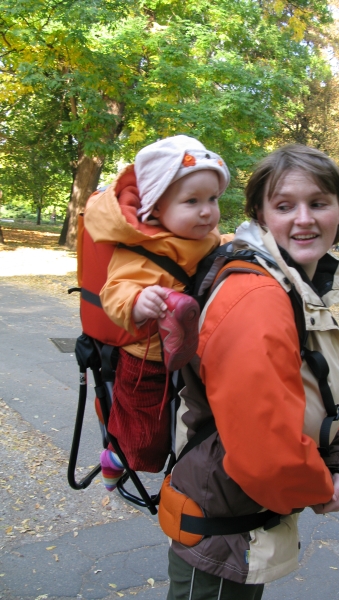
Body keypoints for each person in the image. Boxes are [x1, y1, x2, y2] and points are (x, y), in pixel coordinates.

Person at [165, 144, 339, 599]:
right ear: (260, 214)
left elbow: (315, 391)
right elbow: (265, 452)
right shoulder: (258, 296)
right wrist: (321, 486)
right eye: (284, 206)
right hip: (220, 529)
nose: (304, 219)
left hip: (241, 521)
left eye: (318, 203)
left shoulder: (293, 283)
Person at [83, 135, 230, 490]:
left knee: (190, 421)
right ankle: (116, 455)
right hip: (146, 357)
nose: (206, 211)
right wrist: (138, 301)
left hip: (193, 352)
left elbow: (222, 249)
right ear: (157, 208)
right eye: (192, 201)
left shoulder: (206, 237)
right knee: (144, 437)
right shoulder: (140, 247)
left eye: (212, 199)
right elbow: (114, 291)